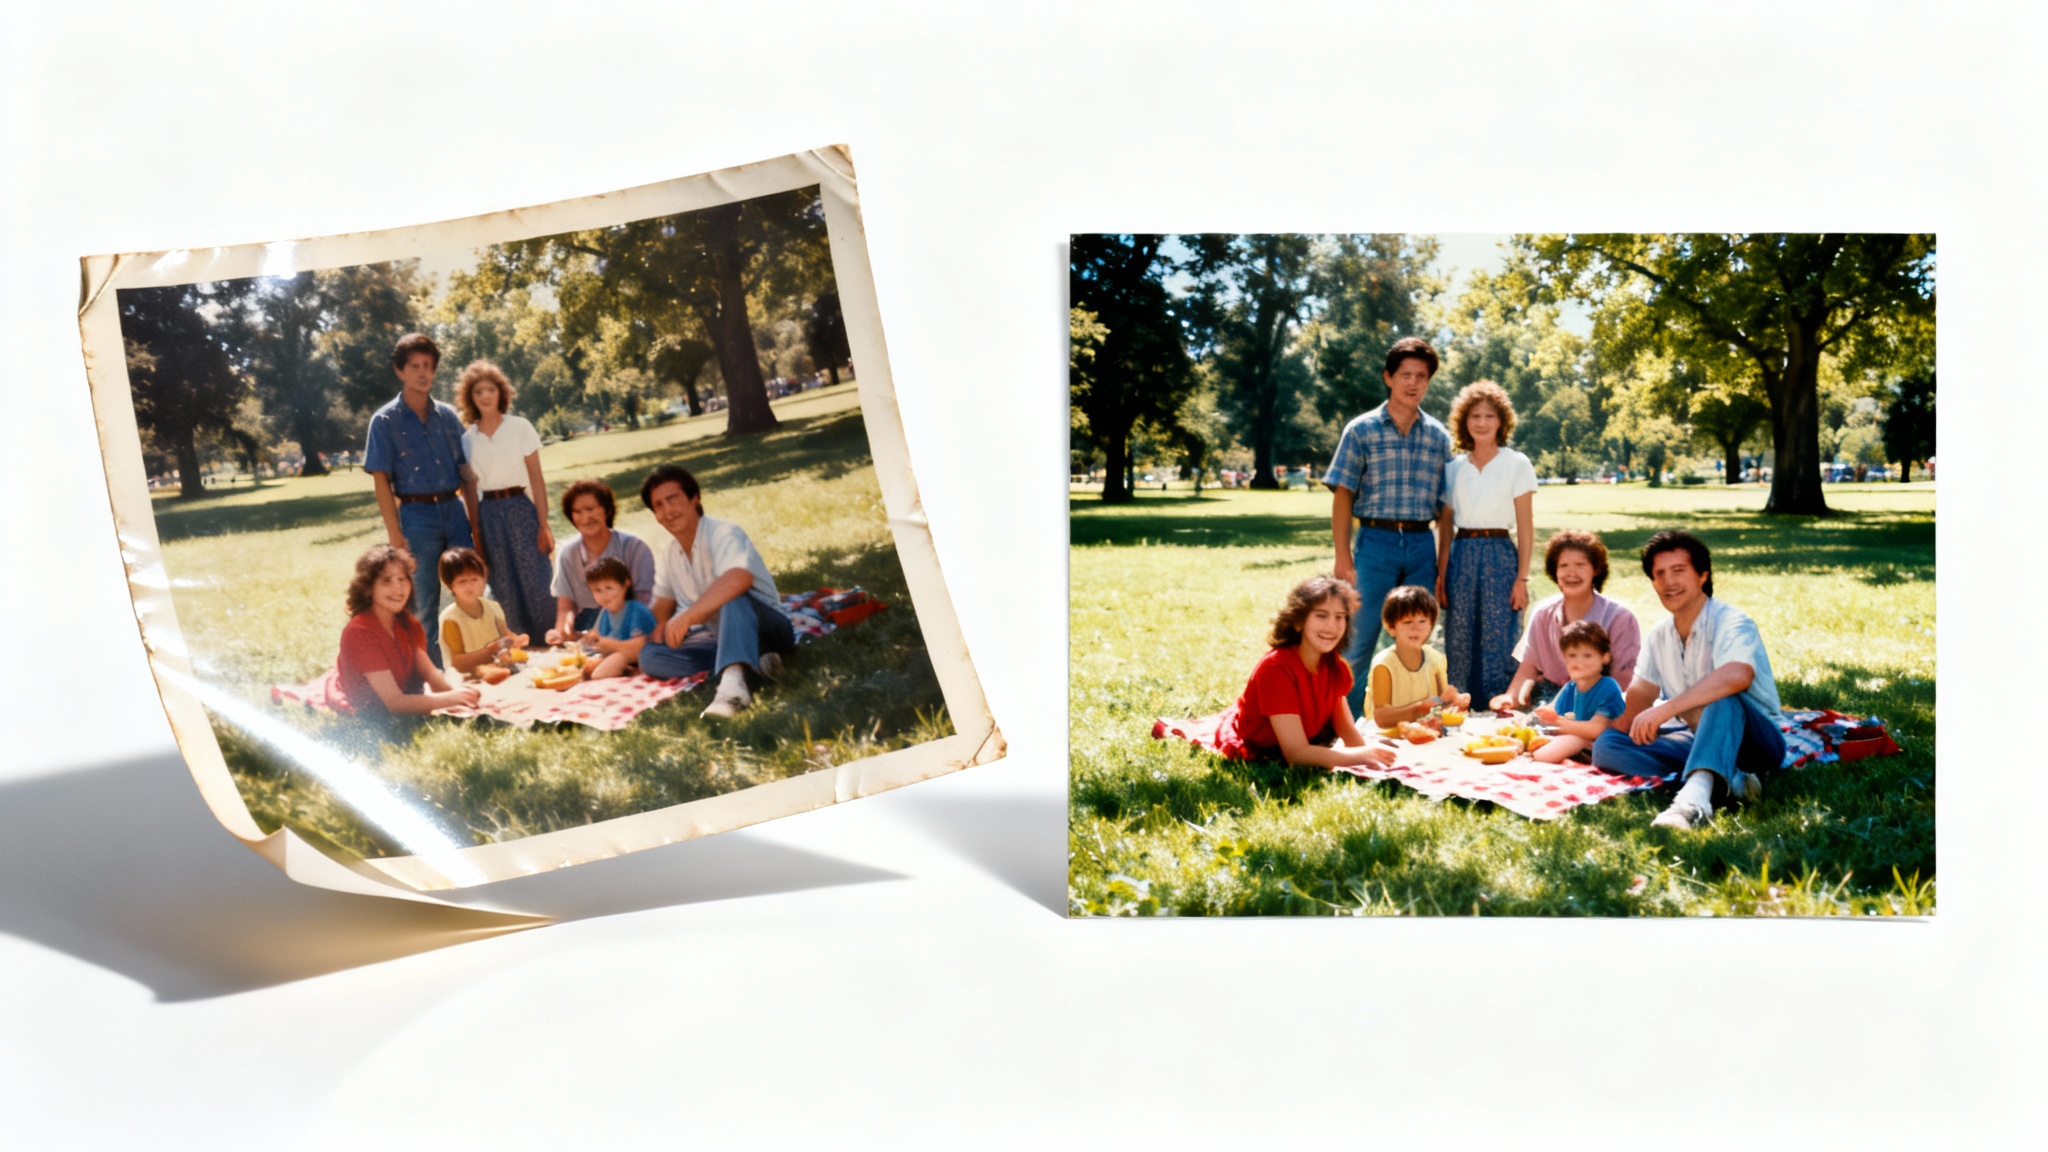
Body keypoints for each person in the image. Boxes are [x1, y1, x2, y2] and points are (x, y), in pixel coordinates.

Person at [1591, 530, 1786, 829]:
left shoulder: (1732, 621)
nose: (1669, 582)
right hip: (1698, 738)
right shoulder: (1659, 635)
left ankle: (1690, 805)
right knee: (1607, 746)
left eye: (1679, 571)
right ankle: (1726, 778)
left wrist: (1666, 709)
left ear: (1702, 575)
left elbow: (1738, 675)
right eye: (1659, 574)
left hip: (1756, 743)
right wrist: (1585, 730)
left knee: (1723, 699)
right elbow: (1636, 704)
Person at [1323, 336, 1455, 716]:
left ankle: (1410, 716)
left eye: (1422, 376)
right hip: (1375, 542)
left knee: (1414, 638)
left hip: (1419, 545)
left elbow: (1446, 510)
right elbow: (1343, 494)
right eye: (1405, 375)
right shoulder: (1361, 430)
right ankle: (1341, 722)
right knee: (1358, 637)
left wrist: (1441, 567)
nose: (1413, 383)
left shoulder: (1438, 438)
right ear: (1388, 377)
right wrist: (1343, 557)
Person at [635, 464, 797, 718]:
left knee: (732, 599)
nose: (667, 511)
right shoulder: (670, 552)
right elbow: (663, 601)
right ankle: (750, 666)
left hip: (768, 628)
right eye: (658, 506)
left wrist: (688, 616)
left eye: (672, 499)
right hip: (721, 638)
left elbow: (738, 578)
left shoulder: (723, 532)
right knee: (649, 656)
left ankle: (732, 693)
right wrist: (656, 627)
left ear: (694, 498)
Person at [1196, 576, 1395, 770]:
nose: (1332, 626)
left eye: (1340, 617)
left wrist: (1372, 757)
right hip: (1263, 746)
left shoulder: (1334, 666)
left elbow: (1346, 729)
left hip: (1303, 741)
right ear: (1299, 621)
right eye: (1321, 615)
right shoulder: (1276, 668)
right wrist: (1362, 755)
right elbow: (1296, 753)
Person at [364, 333, 478, 666]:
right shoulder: (384, 421)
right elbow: (381, 482)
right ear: (400, 371)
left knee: (469, 589)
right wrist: (396, 537)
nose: (423, 373)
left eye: (428, 366)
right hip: (416, 516)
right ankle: (429, 672)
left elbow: (467, 474)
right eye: (414, 366)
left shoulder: (447, 417)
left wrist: (475, 525)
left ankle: (473, 660)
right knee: (423, 599)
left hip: (453, 511)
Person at [1433, 380, 1536, 706]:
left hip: (1500, 552)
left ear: (1501, 421)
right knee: (1459, 632)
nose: (1481, 422)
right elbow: (1446, 527)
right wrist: (1441, 573)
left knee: (1499, 630)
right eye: (1474, 416)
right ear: (1464, 422)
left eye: (1489, 416)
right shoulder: (1453, 468)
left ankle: (1498, 702)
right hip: (1462, 552)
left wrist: (1522, 578)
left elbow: (1525, 524)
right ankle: (1459, 701)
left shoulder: (1516, 463)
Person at [455, 360, 556, 640]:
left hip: (521, 508)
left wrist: (543, 523)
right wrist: (476, 531)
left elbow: (536, 478)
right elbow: (469, 489)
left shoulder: (520, 427)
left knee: (534, 575)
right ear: (470, 398)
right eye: (478, 392)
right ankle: (518, 644)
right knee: (503, 581)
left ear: (501, 392)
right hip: (488, 512)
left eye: (490, 389)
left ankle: (549, 639)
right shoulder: (467, 440)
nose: (486, 396)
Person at [1492, 530, 1641, 711]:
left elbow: (1622, 683)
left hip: (1597, 705)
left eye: (1580, 565)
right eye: (1563, 566)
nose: (1571, 573)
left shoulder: (1620, 619)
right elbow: (1528, 667)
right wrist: (1509, 698)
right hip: (1547, 701)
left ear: (1596, 569)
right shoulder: (1543, 614)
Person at [334, 545, 480, 719]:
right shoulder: (359, 632)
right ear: (367, 588)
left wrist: (459, 696)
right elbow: (395, 703)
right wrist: (450, 698)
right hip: (373, 711)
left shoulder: (406, 622)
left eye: (403, 579)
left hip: (402, 696)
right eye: (387, 581)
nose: (398, 588)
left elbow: (430, 673)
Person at [545, 479, 657, 643]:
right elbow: (566, 606)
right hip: (586, 624)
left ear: (606, 510)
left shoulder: (634, 548)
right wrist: (562, 631)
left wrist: (602, 631)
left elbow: (644, 602)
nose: (585, 517)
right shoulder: (568, 553)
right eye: (577, 511)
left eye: (591, 509)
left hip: (630, 622)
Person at [1367, 585, 1470, 730]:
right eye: (1407, 622)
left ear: (1431, 624)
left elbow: (1441, 703)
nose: (1416, 628)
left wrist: (1456, 700)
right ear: (1390, 627)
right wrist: (1418, 709)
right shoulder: (1384, 664)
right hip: (1389, 738)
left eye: (1422, 622)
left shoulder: (1435, 659)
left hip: (1426, 733)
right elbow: (1381, 718)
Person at [1531, 619, 1626, 764]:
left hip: (1603, 744)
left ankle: (1574, 762)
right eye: (1572, 655)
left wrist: (1556, 723)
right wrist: (1539, 715)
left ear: (1605, 657)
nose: (1578, 662)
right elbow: (1550, 710)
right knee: (1534, 740)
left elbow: (1596, 729)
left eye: (1587, 655)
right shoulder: (1570, 687)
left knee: (1551, 751)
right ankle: (1570, 762)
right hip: (1576, 737)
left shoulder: (1607, 686)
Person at [436, 547, 527, 677]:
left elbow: (504, 636)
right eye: (462, 581)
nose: (469, 586)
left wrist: (517, 640)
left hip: (497, 671)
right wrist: (490, 651)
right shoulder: (451, 618)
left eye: (474, 580)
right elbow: (458, 664)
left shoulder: (493, 607)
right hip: (467, 679)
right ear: (450, 585)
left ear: (484, 580)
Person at [583, 556, 657, 680]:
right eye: (597, 590)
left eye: (609, 588)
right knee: (586, 667)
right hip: (620, 657)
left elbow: (639, 647)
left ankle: (627, 671)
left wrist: (609, 644)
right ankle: (625, 670)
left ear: (626, 583)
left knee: (600, 672)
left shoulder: (636, 610)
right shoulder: (605, 613)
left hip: (643, 657)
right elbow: (598, 638)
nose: (604, 595)